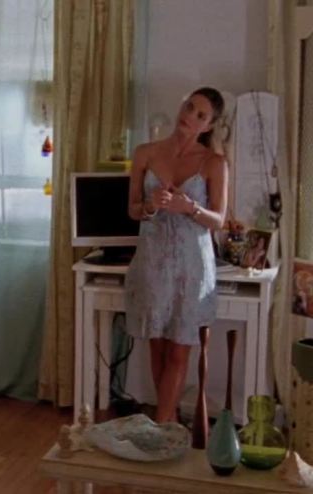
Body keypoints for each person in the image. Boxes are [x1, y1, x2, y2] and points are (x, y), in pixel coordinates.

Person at [124, 87, 228, 423]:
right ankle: (166, 424)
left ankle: (162, 427)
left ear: (208, 125)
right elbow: (133, 210)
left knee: (179, 350)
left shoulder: (214, 163)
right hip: (152, 262)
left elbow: (219, 220)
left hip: (191, 267)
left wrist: (190, 207)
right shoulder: (145, 153)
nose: (190, 116)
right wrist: (150, 206)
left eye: (201, 115)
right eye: (189, 106)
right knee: (157, 346)